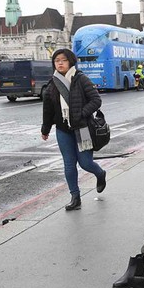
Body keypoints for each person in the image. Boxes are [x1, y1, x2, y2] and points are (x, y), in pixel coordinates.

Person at [41, 48, 106, 211]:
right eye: (57, 61)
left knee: (85, 163)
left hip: (82, 128)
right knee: (69, 165)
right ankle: (75, 197)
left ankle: (100, 174)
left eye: (63, 60)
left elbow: (96, 100)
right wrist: (45, 129)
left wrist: (81, 114)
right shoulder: (52, 84)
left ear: (70, 61)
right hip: (63, 130)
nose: (60, 63)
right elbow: (48, 109)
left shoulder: (81, 79)